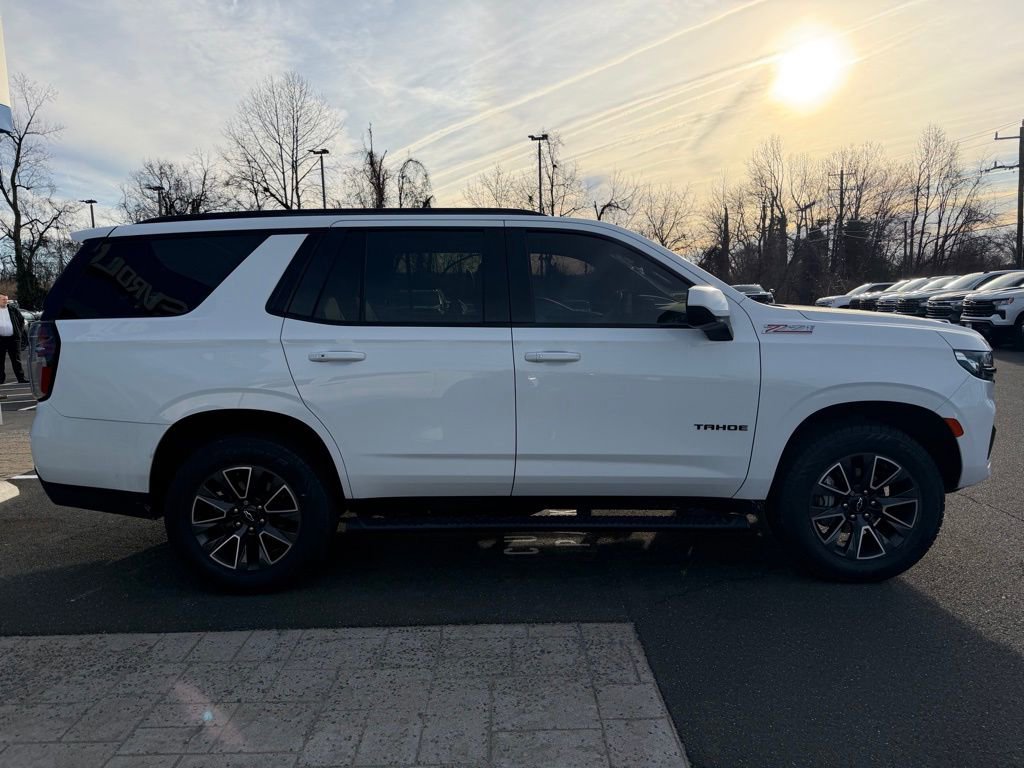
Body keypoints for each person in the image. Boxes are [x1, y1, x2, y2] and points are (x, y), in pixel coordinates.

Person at [0, 294, 28, 385]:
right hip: (0, 340)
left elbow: (22, 320)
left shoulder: (13, 309)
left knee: (17, 360)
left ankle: (21, 378)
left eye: (6, 299)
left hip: (13, 339)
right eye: (3, 299)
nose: (5, 301)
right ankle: (1, 379)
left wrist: (19, 332)